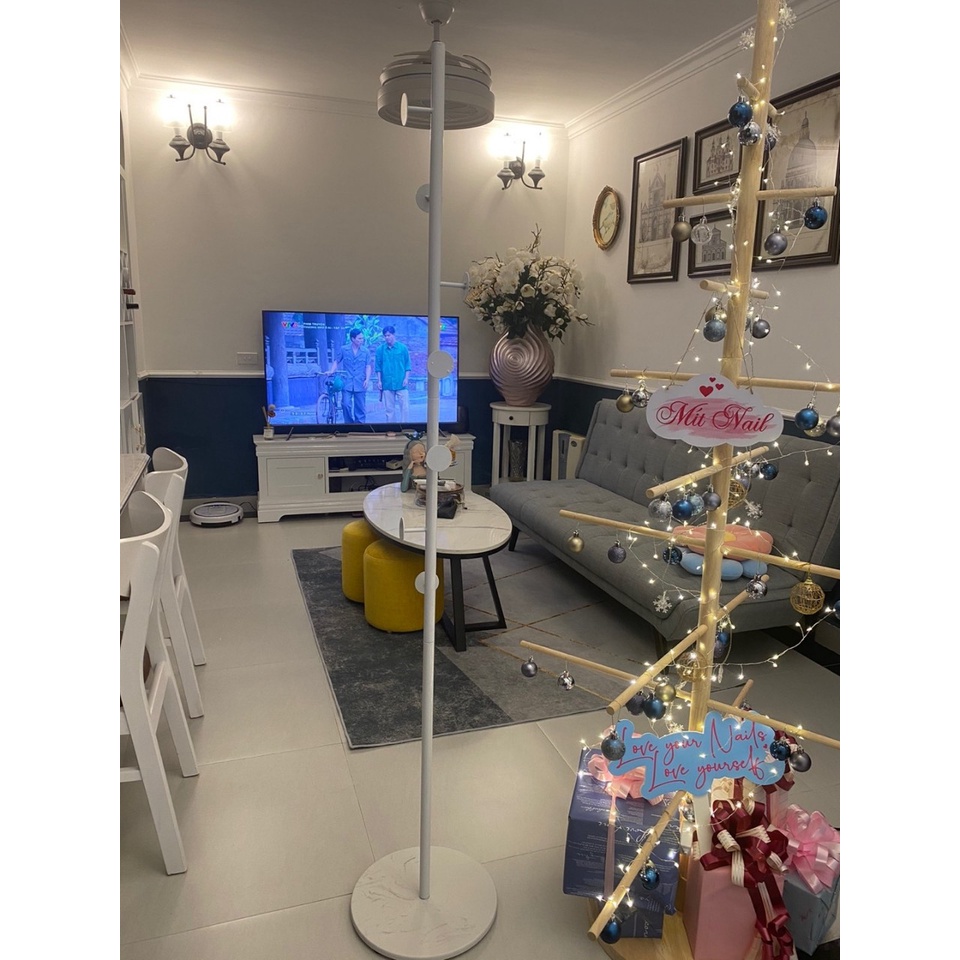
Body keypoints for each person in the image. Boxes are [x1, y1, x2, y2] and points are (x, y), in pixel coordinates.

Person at [327, 327, 372, 423]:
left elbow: (368, 366)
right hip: (347, 382)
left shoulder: (365, 351)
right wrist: (331, 371)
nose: (361, 340)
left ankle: (359, 426)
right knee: (345, 404)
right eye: (359, 338)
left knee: (360, 407)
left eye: (362, 338)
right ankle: (349, 424)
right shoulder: (344, 349)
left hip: (360, 382)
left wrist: (367, 379)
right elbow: (336, 361)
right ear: (353, 339)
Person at [375, 325, 411, 423]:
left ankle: (405, 427)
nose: (387, 337)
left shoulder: (402, 348)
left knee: (405, 408)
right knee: (389, 410)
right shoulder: (380, 350)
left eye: (389, 335)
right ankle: (392, 428)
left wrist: (406, 378)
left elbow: (407, 365)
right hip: (387, 383)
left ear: (394, 335)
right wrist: (379, 381)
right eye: (385, 336)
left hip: (401, 382)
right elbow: (378, 367)